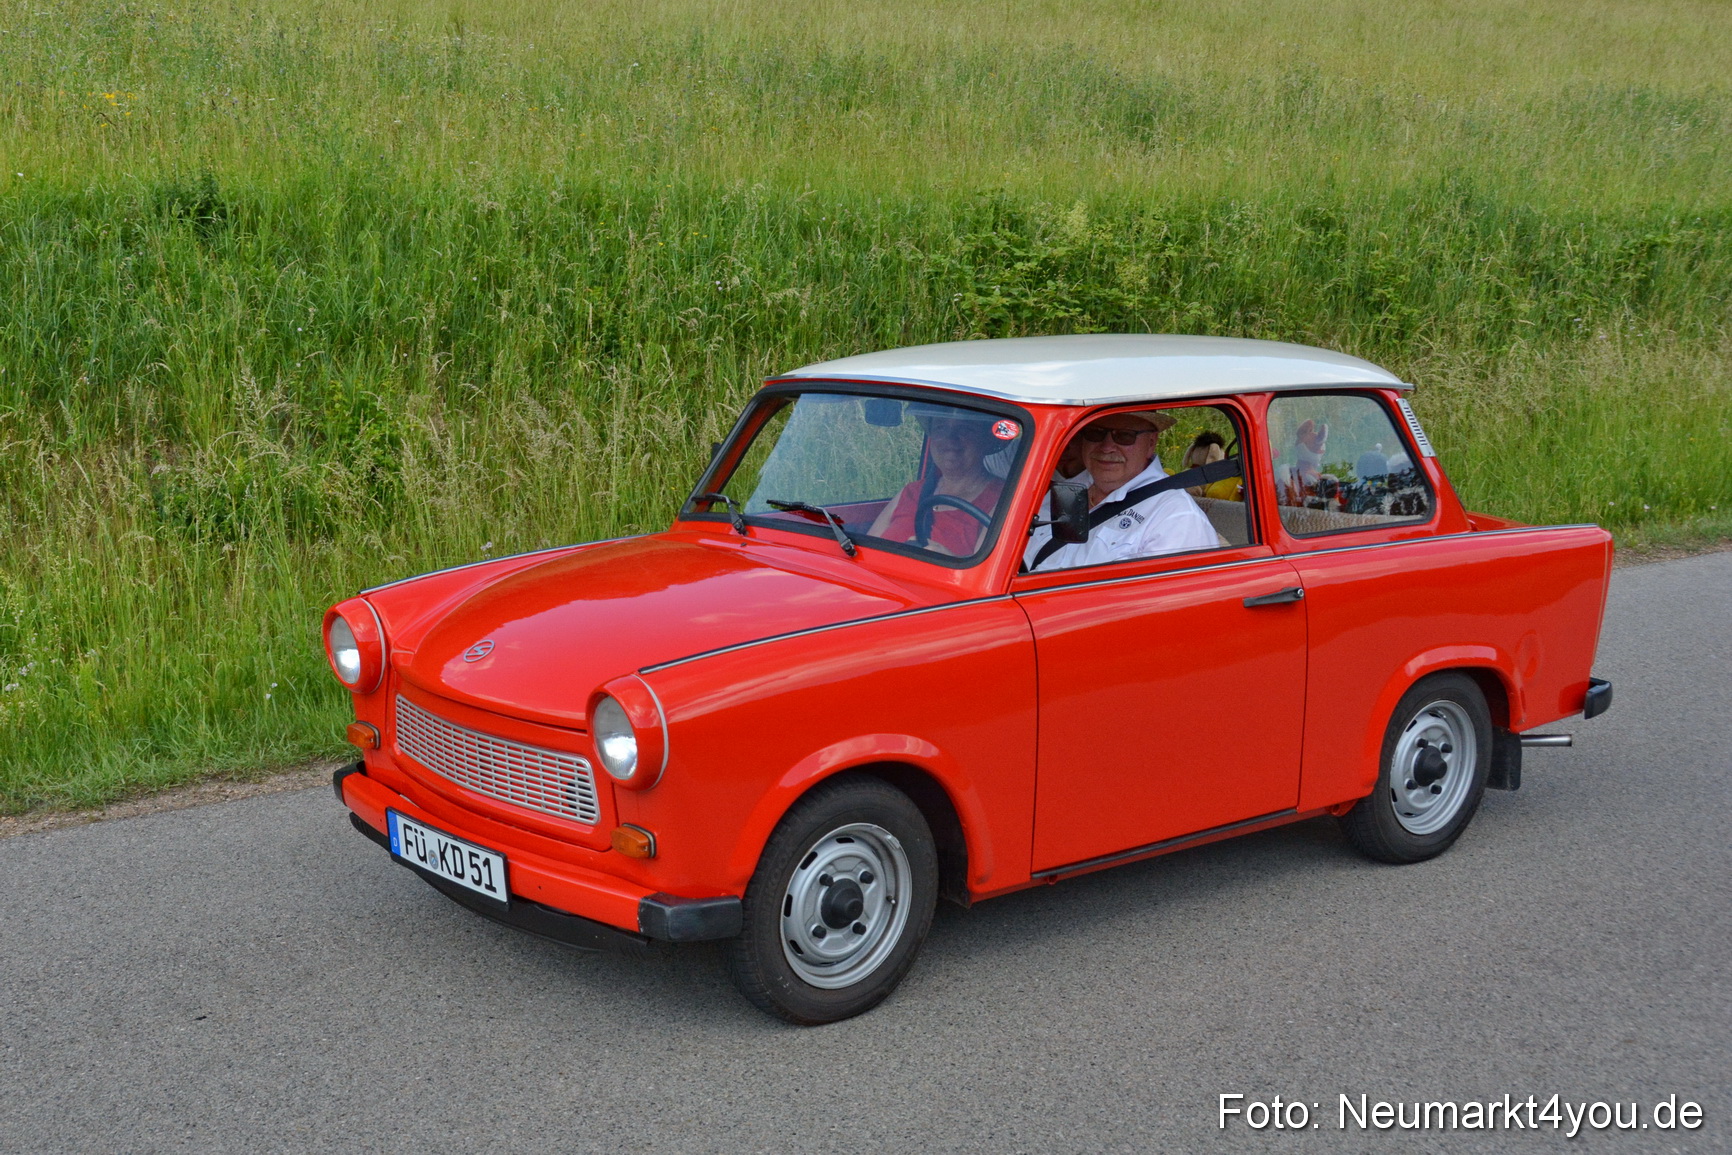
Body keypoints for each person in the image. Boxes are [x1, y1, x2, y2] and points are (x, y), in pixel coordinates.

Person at [1025, 411, 1221, 571]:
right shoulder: (1063, 492)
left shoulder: (1176, 517)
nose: (1107, 447)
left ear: (1151, 443)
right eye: (1095, 433)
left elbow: (1162, 607)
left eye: (1125, 436)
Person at [868, 412, 1005, 556]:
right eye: (941, 428)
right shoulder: (911, 492)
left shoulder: (1002, 502)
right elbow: (866, 552)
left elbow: (983, 575)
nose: (950, 439)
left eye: (965, 429)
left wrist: (951, 561)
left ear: (986, 440)